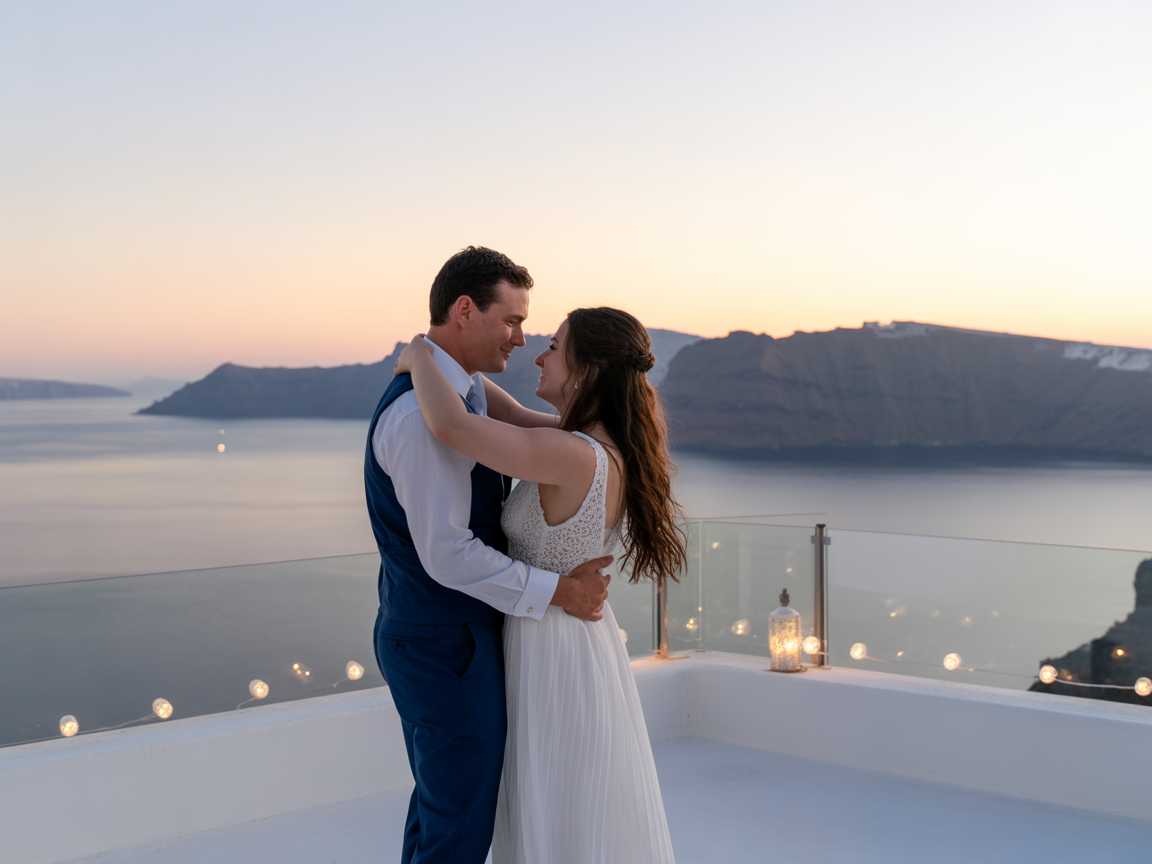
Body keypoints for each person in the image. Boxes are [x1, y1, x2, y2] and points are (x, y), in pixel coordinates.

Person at [394, 305, 687, 864]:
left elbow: (452, 426)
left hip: (554, 649)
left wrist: (417, 354)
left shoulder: (571, 453)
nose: (539, 353)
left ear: (589, 370)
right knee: (565, 803)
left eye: (554, 344)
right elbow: (494, 406)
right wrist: (451, 363)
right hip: (569, 641)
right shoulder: (587, 444)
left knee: (554, 801)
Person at [365, 246, 614, 864]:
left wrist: (421, 351)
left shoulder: (465, 393)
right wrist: (561, 591)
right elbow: (447, 555)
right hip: (443, 643)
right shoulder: (423, 418)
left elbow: (534, 426)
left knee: (443, 809)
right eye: (512, 321)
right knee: (458, 826)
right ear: (466, 310)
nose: (521, 339)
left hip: (445, 637)